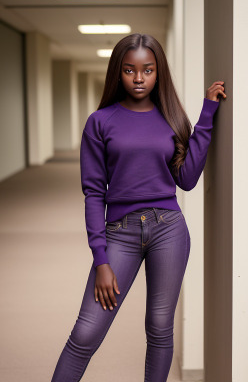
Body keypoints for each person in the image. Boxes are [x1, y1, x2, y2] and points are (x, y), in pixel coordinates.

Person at [51, 33, 226, 382]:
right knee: (86, 332)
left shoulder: (171, 119)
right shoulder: (100, 122)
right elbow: (93, 193)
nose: (139, 78)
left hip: (169, 230)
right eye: (130, 70)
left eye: (148, 70)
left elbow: (187, 179)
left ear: (158, 72)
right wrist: (100, 259)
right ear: (118, 72)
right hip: (120, 234)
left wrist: (207, 113)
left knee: (160, 327)